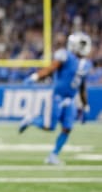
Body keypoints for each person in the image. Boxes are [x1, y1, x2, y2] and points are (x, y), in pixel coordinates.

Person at [18, 31, 93, 165]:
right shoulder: (66, 55)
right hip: (57, 97)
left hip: (71, 99)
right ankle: (31, 120)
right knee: (49, 126)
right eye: (81, 44)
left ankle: (53, 155)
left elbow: (82, 86)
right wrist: (35, 76)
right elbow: (51, 68)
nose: (83, 47)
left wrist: (85, 105)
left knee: (67, 128)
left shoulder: (87, 64)